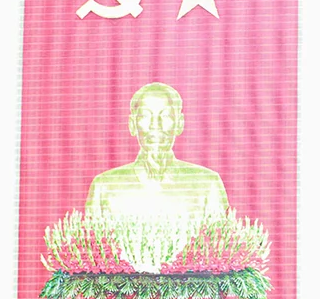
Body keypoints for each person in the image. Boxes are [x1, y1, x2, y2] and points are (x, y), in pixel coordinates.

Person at [85, 82, 229, 221]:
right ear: (132, 125)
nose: (155, 125)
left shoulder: (207, 184)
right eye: (145, 116)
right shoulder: (104, 186)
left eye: (165, 116)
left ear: (179, 124)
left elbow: (220, 236)